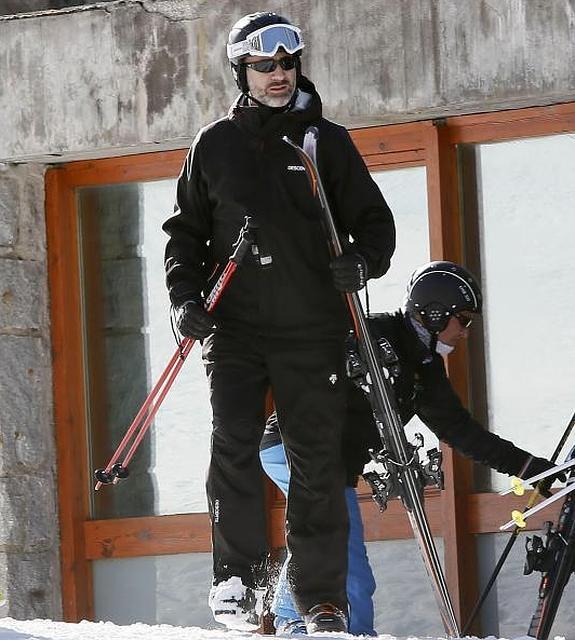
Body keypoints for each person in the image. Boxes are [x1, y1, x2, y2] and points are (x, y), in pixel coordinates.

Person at [161, 11, 396, 635]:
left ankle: (321, 601)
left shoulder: (326, 143)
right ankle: (237, 580)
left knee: (317, 463)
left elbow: (378, 226)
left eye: (287, 63)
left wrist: (361, 263)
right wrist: (185, 299)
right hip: (234, 327)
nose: (278, 75)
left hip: (312, 328)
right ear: (242, 71)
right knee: (234, 445)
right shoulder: (214, 144)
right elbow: (183, 235)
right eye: (264, 65)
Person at [259, 260, 559, 635]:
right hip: (297, 448)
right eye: (463, 320)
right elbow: (310, 352)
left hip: (327, 464)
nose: (465, 332)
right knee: (346, 558)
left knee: (333, 543)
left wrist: (536, 469)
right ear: (435, 314)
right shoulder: (373, 335)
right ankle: (308, 624)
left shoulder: (424, 368)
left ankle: (296, 616)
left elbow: (462, 432)